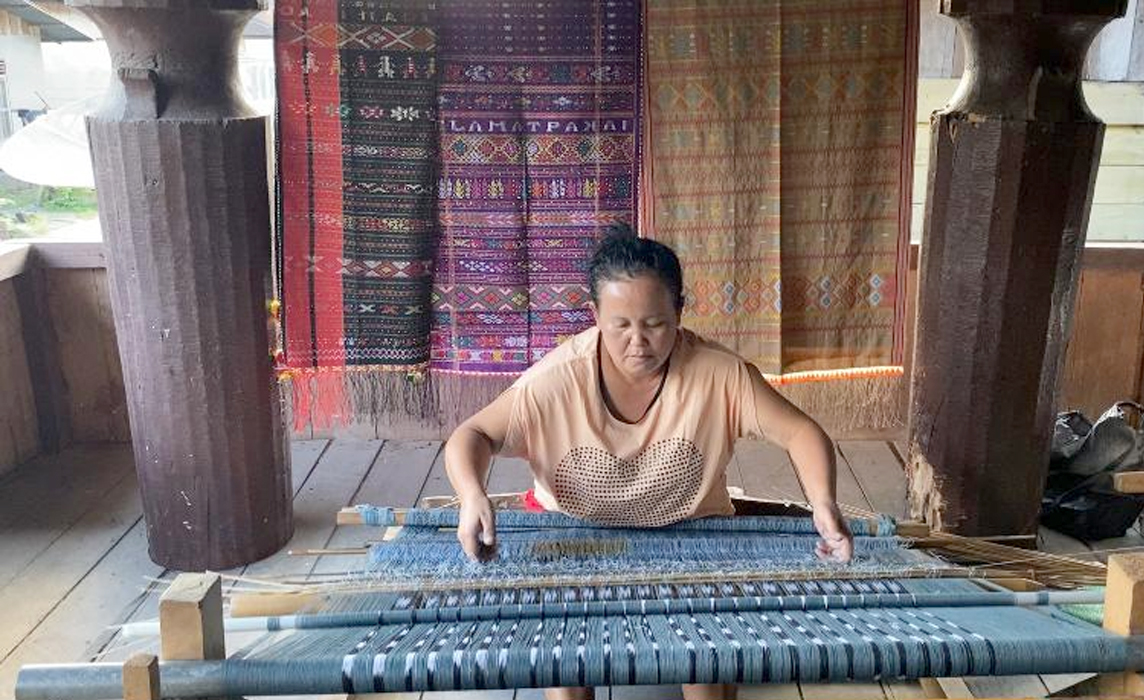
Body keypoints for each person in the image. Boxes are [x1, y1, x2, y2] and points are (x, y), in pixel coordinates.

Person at [444, 224, 853, 700]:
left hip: (695, 538)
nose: (637, 341)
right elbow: (473, 435)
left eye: (655, 323)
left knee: (709, 673)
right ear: (595, 315)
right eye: (620, 325)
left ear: (680, 311)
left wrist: (823, 503)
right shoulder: (555, 382)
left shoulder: (719, 375)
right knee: (566, 665)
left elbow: (801, 432)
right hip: (573, 538)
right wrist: (471, 495)